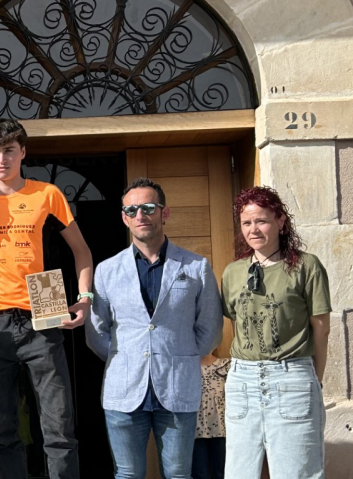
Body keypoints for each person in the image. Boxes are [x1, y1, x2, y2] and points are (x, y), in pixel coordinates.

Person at [0, 118, 93, 479]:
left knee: (59, 427)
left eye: (8, 150)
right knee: (3, 432)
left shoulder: (47, 194)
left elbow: (82, 251)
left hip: (43, 318)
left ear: (22, 152)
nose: (0, 158)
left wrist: (84, 299)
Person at [85, 178, 222, 479]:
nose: (140, 216)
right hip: (123, 388)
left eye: (148, 208)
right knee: (128, 474)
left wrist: (179, 355)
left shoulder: (196, 266)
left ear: (164, 213)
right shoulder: (107, 270)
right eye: (131, 210)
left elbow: (210, 328)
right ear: (124, 217)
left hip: (177, 386)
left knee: (178, 474)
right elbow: (97, 331)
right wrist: (127, 357)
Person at [221, 186, 331, 479]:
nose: (253, 229)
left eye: (262, 221)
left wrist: (313, 380)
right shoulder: (233, 272)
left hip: (292, 375)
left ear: (281, 221)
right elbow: (235, 319)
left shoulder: (307, 266)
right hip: (242, 379)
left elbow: (321, 329)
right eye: (246, 222)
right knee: (239, 472)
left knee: (297, 472)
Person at [191, 353, 229, 479]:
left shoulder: (225, 366)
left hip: (222, 430)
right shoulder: (187, 368)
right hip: (194, 430)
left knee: (223, 472)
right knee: (199, 474)